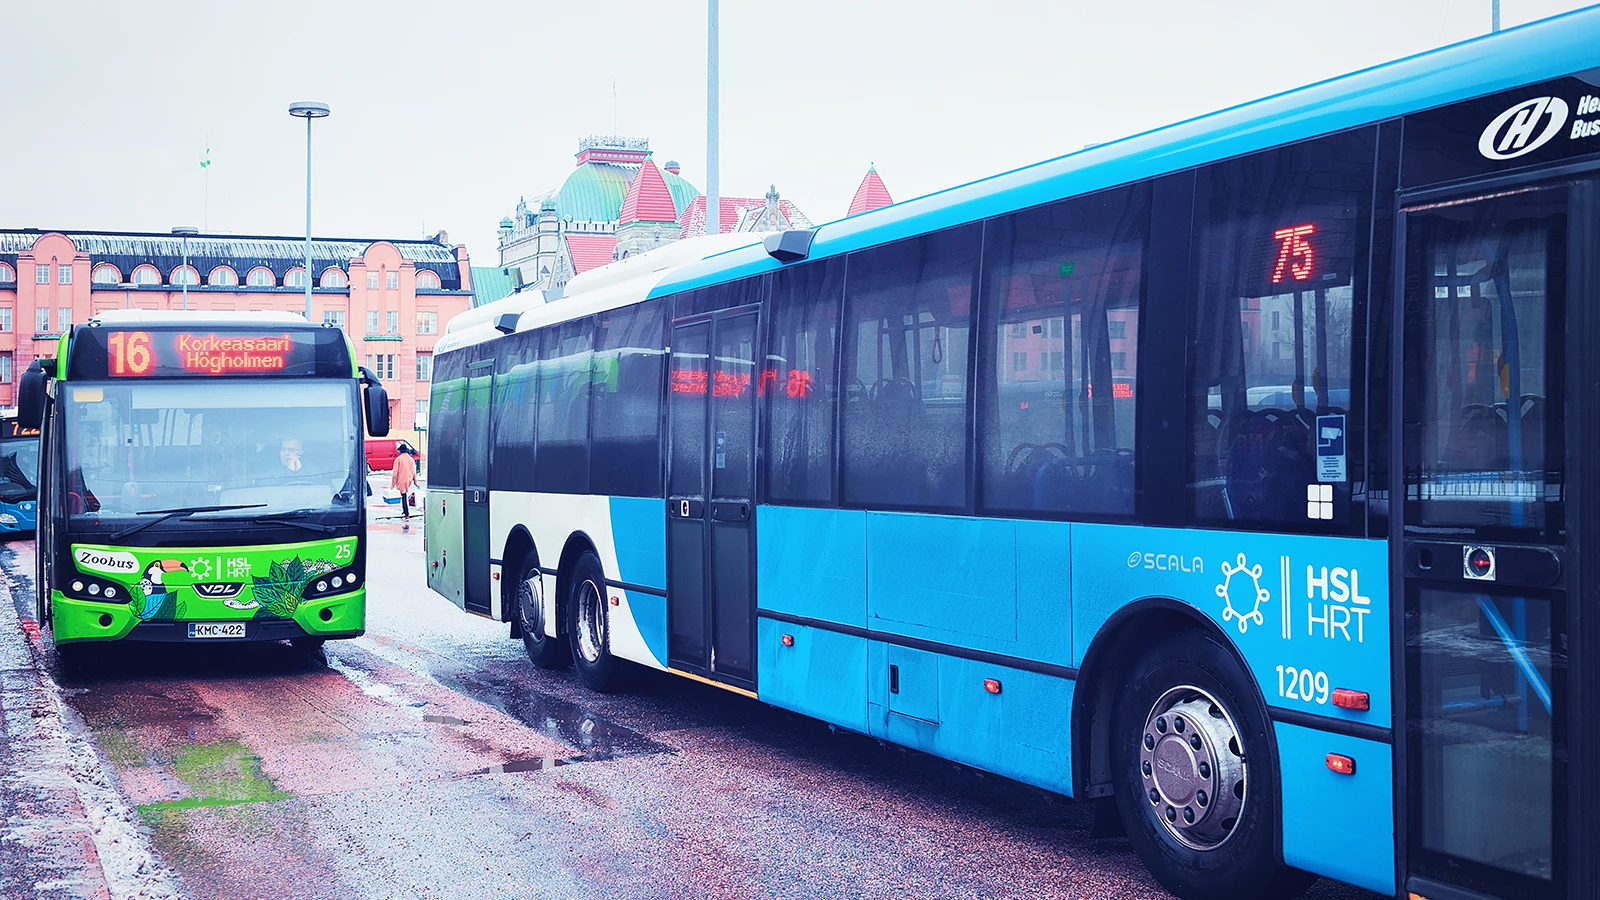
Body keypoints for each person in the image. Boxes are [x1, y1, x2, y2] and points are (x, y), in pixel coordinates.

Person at [391, 445, 417, 522]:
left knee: (404, 496)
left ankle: (406, 513)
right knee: (404, 495)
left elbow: (395, 473)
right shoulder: (411, 459)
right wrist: (415, 482)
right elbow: (414, 472)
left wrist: (393, 484)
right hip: (409, 479)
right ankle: (404, 510)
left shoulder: (398, 460)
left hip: (401, 480)